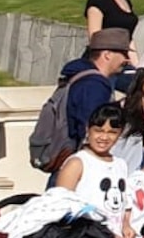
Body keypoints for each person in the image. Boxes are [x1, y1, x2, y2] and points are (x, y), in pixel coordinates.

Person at [55, 101, 132, 238]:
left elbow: (124, 204)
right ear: (87, 129)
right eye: (99, 130)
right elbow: (61, 206)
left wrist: (126, 225)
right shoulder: (77, 163)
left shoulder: (121, 164)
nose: (104, 137)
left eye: (112, 133)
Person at [53, 28, 131, 160]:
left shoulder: (80, 76)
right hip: (80, 163)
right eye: (124, 54)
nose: (127, 60)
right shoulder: (95, 85)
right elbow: (90, 127)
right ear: (107, 55)